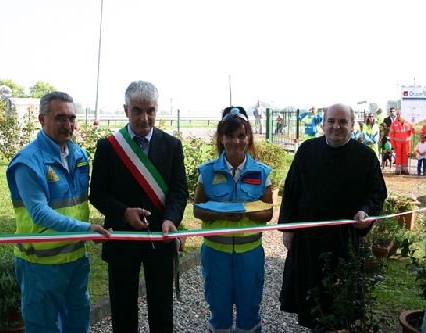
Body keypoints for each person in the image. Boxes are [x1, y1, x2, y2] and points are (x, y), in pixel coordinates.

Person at [6, 91, 110, 332]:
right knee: (41, 327)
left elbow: (81, 201)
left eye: (72, 118)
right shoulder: (28, 162)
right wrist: (86, 229)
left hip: (75, 260)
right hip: (40, 264)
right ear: (42, 119)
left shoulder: (80, 156)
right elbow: (39, 213)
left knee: (77, 324)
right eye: (60, 118)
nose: (68, 125)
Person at [89, 80, 188, 332]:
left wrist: (171, 219)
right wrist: (123, 212)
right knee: (122, 308)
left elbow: (178, 192)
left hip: (161, 237)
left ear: (157, 109)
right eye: (137, 110)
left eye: (151, 110)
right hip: (122, 237)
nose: (145, 118)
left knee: (162, 308)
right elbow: (97, 194)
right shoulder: (109, 146)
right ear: (126, 110)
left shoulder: (172, 145)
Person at [278, 103, 387, 330]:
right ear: (323, 124)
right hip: (309, 240)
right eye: (331, 121)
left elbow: (376, 193)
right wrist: (287, 228)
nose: (337, 127)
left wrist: (365, 211)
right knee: (311, 300)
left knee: (341, 300)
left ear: (352, 125)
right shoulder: (307, 150)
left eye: (343, 122)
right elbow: (291, 189)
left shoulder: (366, 157)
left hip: (343, 240)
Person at [194, 106, 273, 333]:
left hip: (250, 254)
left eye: (241, 135)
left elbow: (268, 213)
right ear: (222, 137)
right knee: (219, 313)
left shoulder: (261, 172)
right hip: (215, 254)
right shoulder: (207, 172)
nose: (235, 141)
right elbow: (198, 210)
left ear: (248, 138)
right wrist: (222, 213)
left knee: (249, 312)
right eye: (230, 135)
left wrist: (246, 213)